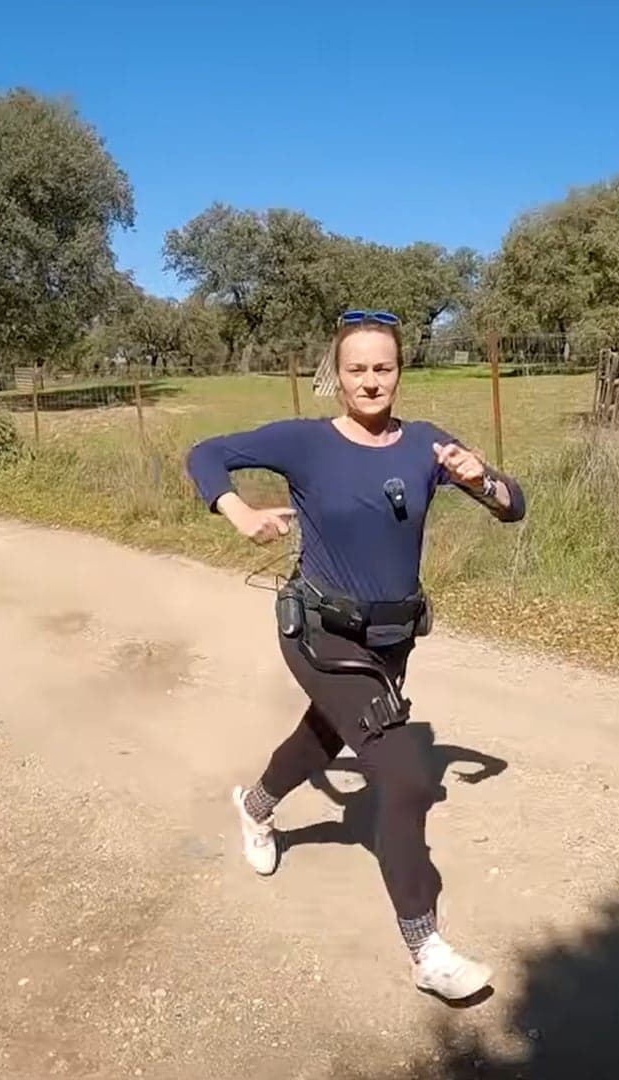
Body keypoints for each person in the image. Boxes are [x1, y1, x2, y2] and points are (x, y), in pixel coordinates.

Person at [184, 309, 525, 1001]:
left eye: (383, 368)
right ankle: (426, 949)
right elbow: (205, 454)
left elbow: (512, 505)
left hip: (391, 638)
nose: (371, 381)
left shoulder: (425, 443)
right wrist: (240, 512)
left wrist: (480, 479)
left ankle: (255, 807)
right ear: (336, 376)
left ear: (400, 371)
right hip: (320, 631)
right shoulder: (305, 443)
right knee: (405, 778)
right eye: (357, 369)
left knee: (326, 734)